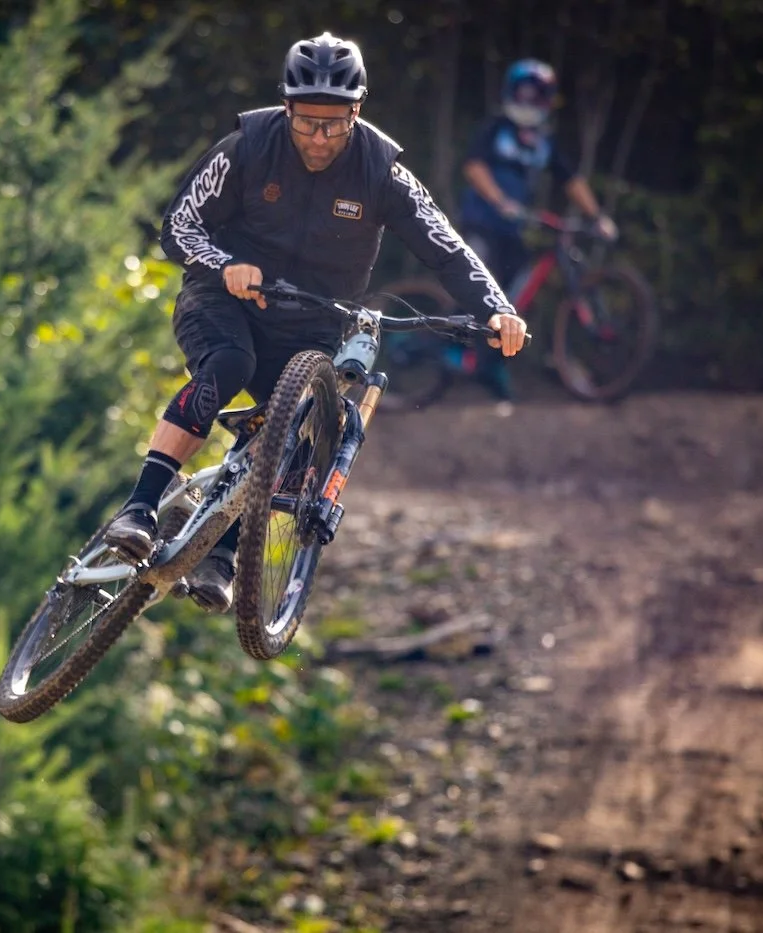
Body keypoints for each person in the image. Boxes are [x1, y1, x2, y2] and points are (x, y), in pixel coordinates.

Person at [103, 32, 526, 613]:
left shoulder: (382, 171)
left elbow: (446, 248)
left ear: (357, 111)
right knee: (229, 364)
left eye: (334, 124)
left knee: (300, 424)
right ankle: (140, 507)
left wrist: (497, 307)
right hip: (224, 300)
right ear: (286, 106)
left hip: (312, 323)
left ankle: (223, 554)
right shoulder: (246, 148)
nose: (319, 138)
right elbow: (179, 225)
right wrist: (225, 265)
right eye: (306, 122)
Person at [457, 58, 617, 400]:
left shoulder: (544, 142)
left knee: (513, 300)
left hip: (514, 232)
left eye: (537, 95)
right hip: (481, 223)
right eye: (525, 93)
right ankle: (450, 348)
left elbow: (571, 179)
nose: (530, 102)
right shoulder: (495, 128)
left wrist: (597, 217)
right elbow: (474, 167)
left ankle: (489, 365)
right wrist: (500, 201)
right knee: (474, 284)